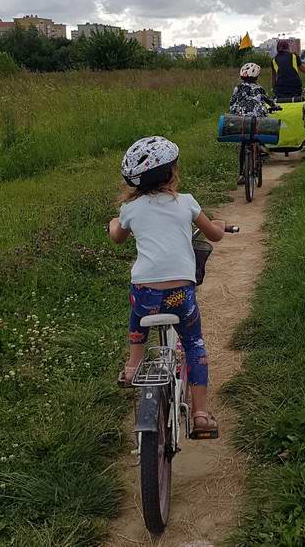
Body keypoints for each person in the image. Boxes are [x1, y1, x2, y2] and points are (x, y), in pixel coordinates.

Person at [108, 135, 225, 438]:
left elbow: (117, 237)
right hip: (180, 294)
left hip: (145, 292)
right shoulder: (185, 202)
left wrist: (113, 224)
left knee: (137, 319)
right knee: (194, 343)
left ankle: (132, 367)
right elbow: (214, 234)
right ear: (172, 172)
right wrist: (221, 226)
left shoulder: (131, 210)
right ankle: (200, 415)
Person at [229, 62, 277, 184]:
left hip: (242, 120)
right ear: (256, 77)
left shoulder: (237, 88)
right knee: (259, 132)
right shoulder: (259, 89)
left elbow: (232, 103)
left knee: (243, 145)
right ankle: (261, 146)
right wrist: (275, 106)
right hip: (257, 120)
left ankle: (241, 174)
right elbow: (269, 101)